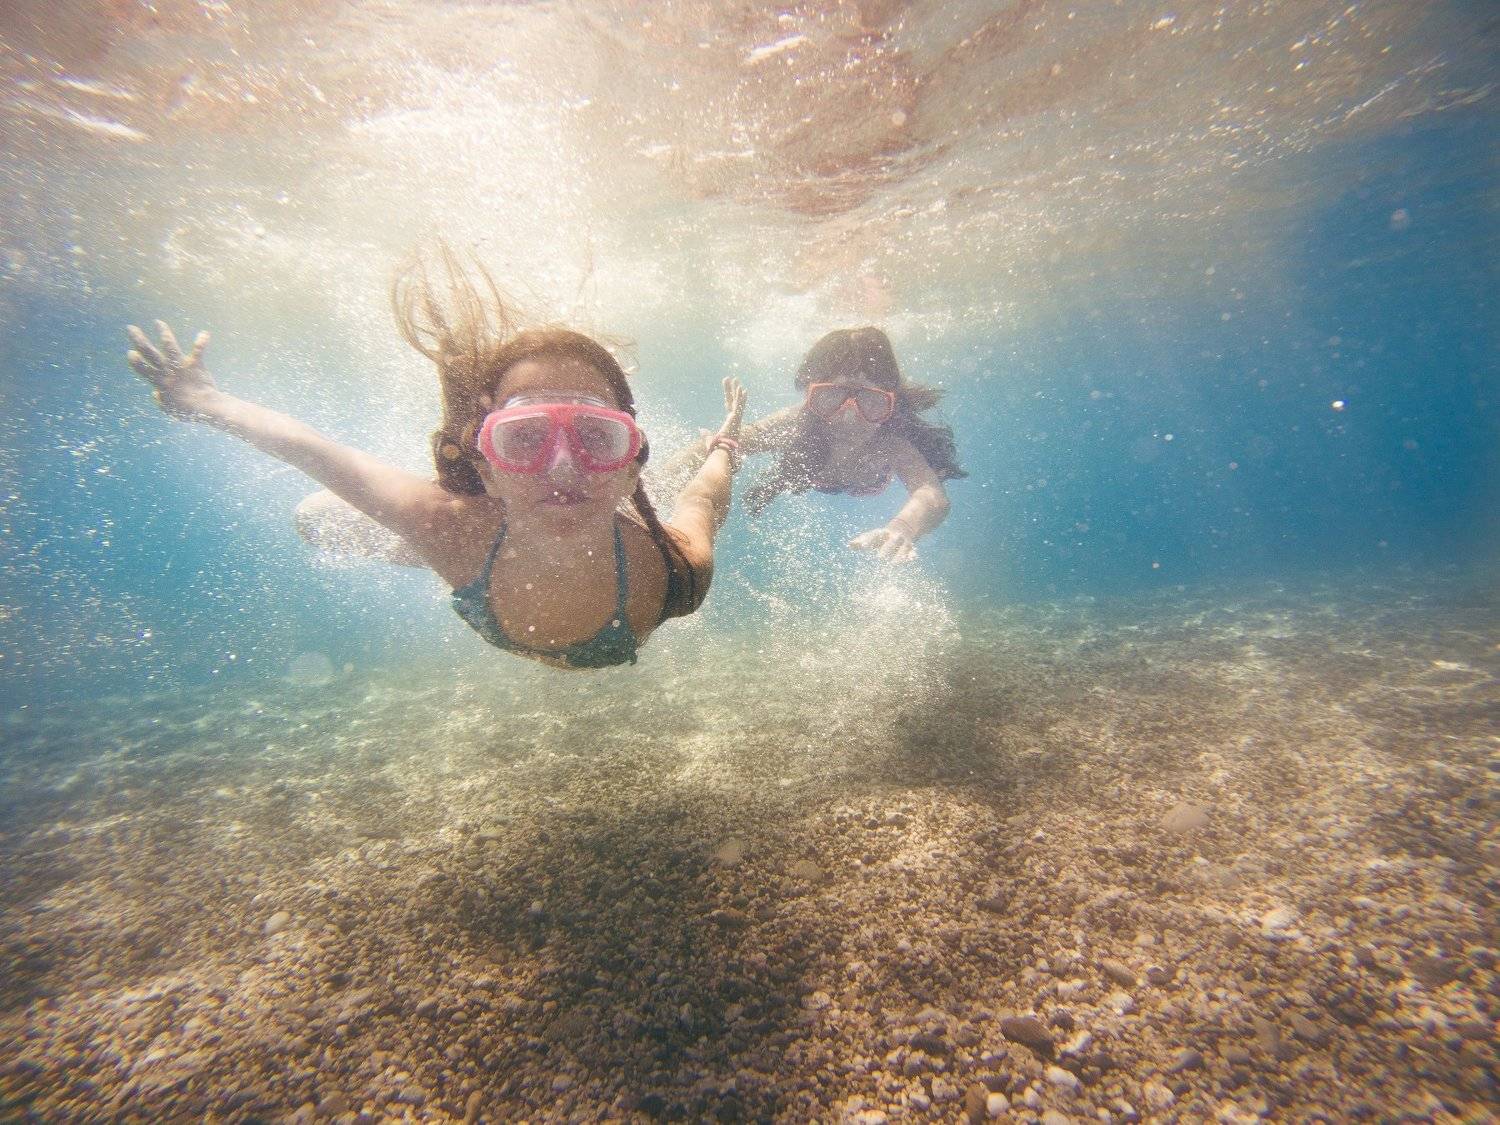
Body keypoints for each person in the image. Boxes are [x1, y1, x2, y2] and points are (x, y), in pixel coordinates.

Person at [125, 251, 747, 669]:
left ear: (631, 464)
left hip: (496, 541)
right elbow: (312, 449)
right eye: (524, 439)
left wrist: (724, 445)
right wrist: (205, 402)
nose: (562, 467)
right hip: (467, 542)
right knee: (316, 517)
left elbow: (704, 499)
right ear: (487, 467)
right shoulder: (447, 525)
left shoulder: (673, 573)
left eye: (597, 438)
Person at [677, 327, 963, 564]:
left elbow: (932, 495)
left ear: (891, 402)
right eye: (831, 397)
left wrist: (902, 528)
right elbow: (714, 445)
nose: (849, 417)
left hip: (864, 480)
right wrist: (655, 485)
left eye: (870, 400)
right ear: (809, 396)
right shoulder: (795, 424)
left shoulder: (891, 442)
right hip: (808, 468)